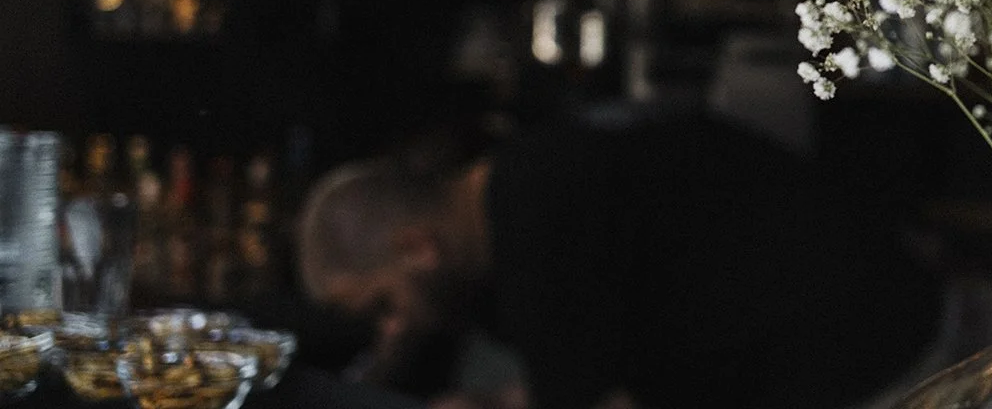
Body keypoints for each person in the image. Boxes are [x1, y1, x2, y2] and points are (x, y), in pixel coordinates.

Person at [296, 112, 942, 409]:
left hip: (892, 355)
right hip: (878, 309)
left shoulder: (534, 241)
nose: (392, 329)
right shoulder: (520, 180)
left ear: (416, 247)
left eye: (383, 306)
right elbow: (602, 364)